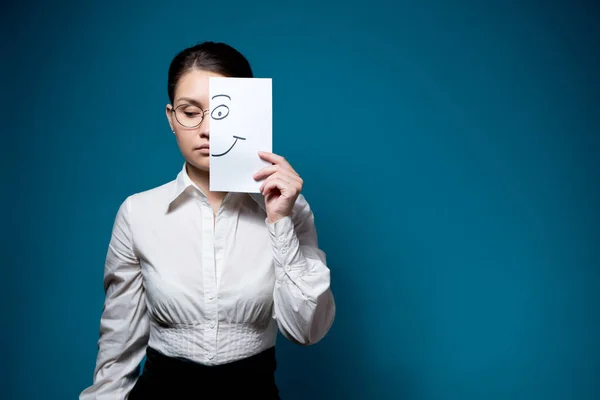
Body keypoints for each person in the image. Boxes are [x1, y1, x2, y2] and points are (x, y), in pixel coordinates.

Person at [79, 41, 336, 400]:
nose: (207, 129)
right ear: (171, 118)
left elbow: (306, 330)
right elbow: (117, 347)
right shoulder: (138, 213)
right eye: (189, 112)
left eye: (222, 113)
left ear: (249, 115)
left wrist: (280, 222)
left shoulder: (290, 208)